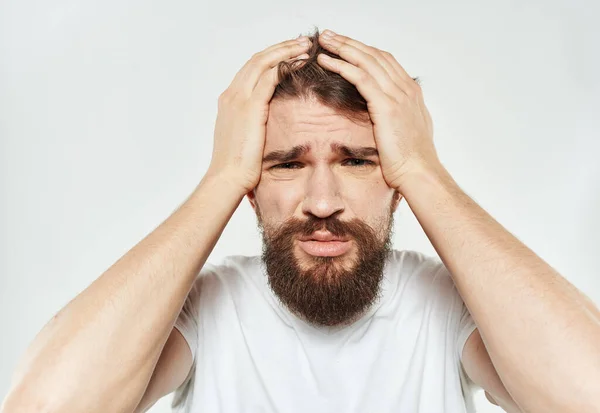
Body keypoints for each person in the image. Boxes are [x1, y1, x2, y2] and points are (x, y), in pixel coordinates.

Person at [2, 28, 599, 413]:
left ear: (395, 183)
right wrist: (219, 182)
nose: (320, 201)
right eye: (285, 164)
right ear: (252, 187)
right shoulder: (208, 307)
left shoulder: (448, 304)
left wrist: (423, 169)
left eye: (358, 161)